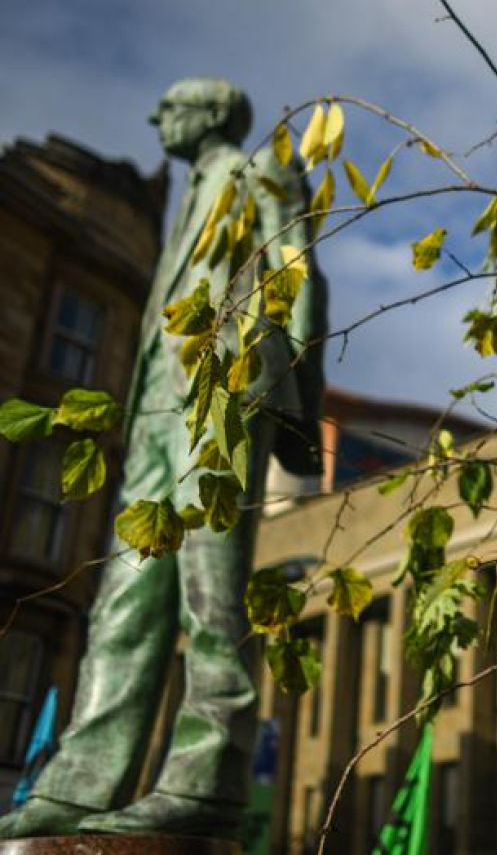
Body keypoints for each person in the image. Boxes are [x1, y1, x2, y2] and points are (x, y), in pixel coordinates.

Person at [0, 79, 327, 840]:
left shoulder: (260, 172)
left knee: (209, 592)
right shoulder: (188, 200)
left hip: (220, 396)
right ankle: (82, 781)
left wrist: (282, 407)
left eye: (172, 105)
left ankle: (206, 778)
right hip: (155, 411)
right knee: (125, 596)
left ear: (211, 114)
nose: (156, 117)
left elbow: (294, 271)